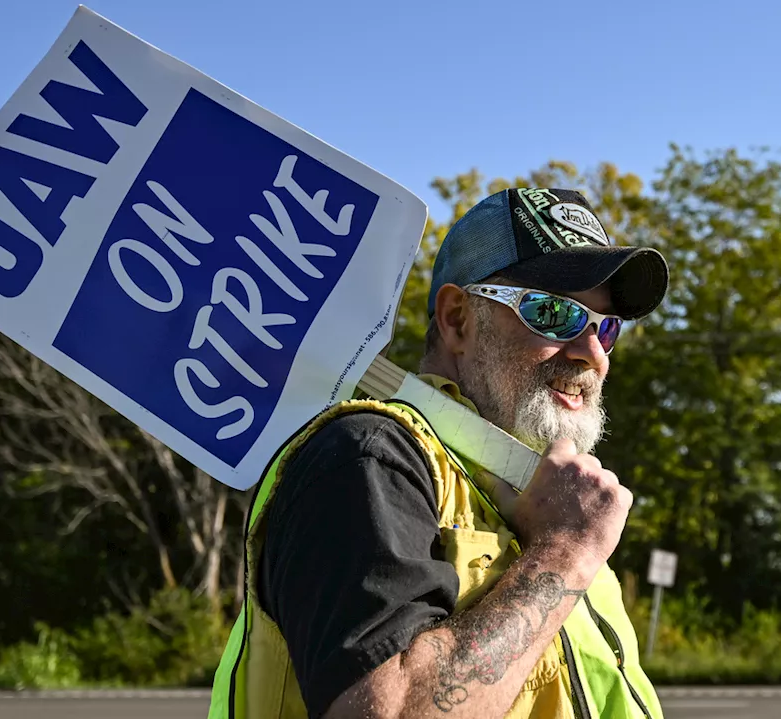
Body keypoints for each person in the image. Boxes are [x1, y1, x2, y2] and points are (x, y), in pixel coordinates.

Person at [208, 188, 670, 719]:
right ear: (456, 320)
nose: (592, 354)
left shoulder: (559, 506)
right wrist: (564, 555)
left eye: (605, 328)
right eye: (553, 313)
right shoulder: (369, 457)